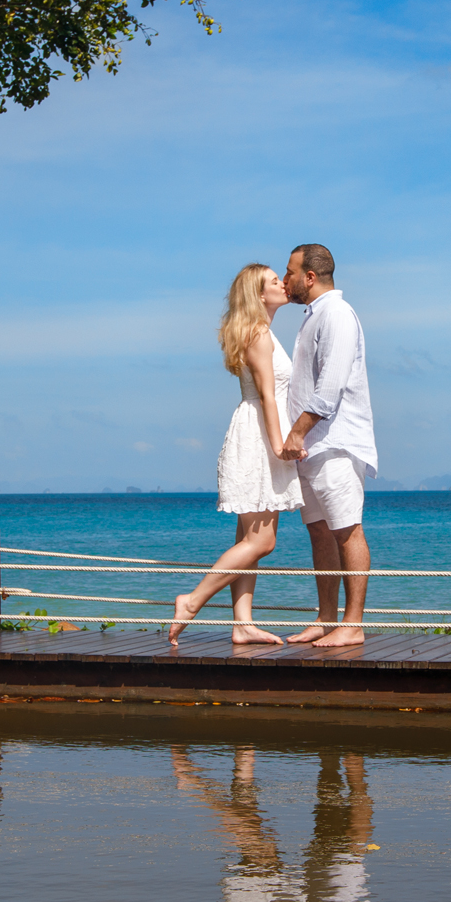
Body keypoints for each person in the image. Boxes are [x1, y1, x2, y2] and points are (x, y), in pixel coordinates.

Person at [170, 263, 302, 643]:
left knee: (248, 540)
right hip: (259, 435)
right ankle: (192, 601)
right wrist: (279, 444)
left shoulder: (262, 331)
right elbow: (268, 397)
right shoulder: (259, 333)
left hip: (255, 430)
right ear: (259, 295)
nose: (283, 283)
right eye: (275, 281)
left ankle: (242, 623)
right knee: (262, 542)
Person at [278, 243, 377, 646]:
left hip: (333, 443)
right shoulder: (313, 316)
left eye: (290, 272)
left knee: (347, 530)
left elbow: (330, 387)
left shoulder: (336, 314)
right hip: (312, 446)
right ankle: (325, 618)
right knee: (319, 532)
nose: (286, 280)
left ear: (310, 277)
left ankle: (352, 624)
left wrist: (297, 432)